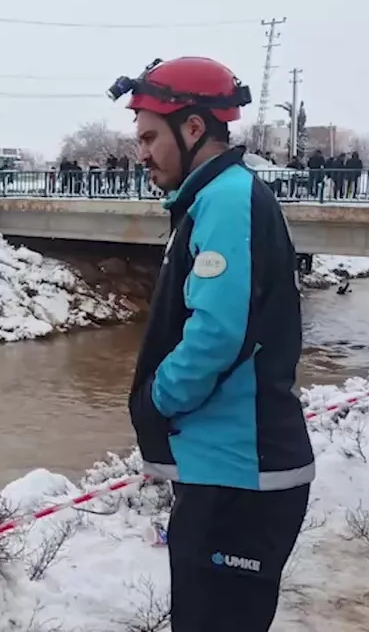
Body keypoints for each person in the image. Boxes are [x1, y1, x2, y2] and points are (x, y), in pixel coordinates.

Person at [107, 56, 314, 632]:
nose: (141, 152)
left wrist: (155, 400)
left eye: (150, 136)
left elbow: (217, 335)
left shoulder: (225, 200)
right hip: (227, 474)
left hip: (241, 480)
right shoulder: (212, 199)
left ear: (193, 128)